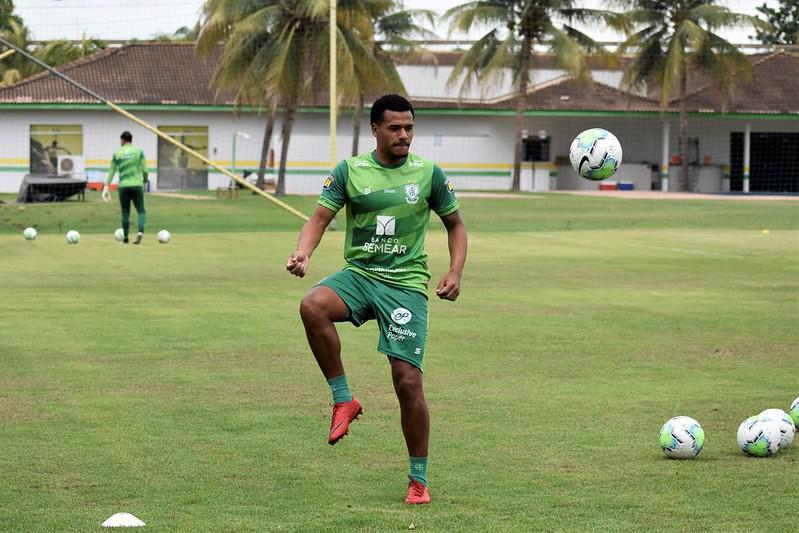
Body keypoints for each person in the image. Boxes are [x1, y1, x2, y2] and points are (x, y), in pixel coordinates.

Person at [286, 94, 468, 505]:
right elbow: (319, 218)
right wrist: (304, 252)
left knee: (407, 384)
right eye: (395, 128)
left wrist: (454, 271)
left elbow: (455, 225)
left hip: (405, 285)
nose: (404, 135)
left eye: (409, 128)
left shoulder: (429, 174)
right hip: (360, 276)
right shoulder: (350, 171)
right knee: (312, 305)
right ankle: (343, 399)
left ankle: (418, 479)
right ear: (375, 130)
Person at [103, 131, 148, 244]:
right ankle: (140, 231)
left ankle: (126, 238)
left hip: (123, 186)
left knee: (125, 212)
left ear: (122, 140)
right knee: (141, 210)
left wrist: (106, 186)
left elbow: (112, 171)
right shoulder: (139, 152)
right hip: (137, 185)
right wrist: (145, 181)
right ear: (131, 140)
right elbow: (145, 170)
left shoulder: (117, 153)